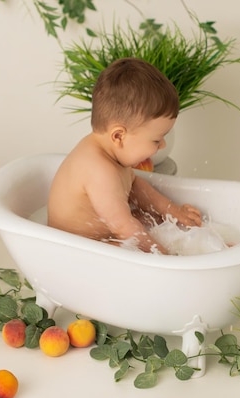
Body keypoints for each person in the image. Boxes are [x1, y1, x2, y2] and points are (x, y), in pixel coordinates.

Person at [48, 57, 202, 254]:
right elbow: (124, 228)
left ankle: (206, 245)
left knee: (154, 220)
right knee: (133, 245)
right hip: (73, 248)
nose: (163, 145)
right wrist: (165, 256)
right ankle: (191, 255)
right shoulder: (98, 170)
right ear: (119, 136)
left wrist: (171, 210)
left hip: (105, 232)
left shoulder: (111, 152)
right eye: (156, 140)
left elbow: (135, 185)